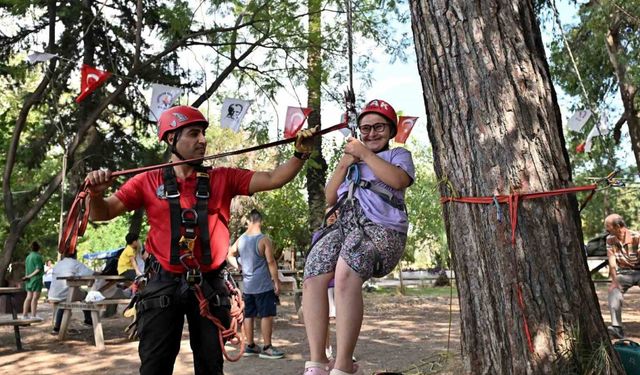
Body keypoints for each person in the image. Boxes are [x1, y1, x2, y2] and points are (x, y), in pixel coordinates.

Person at [84, 105, 316, 375]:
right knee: (154, 366)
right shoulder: (147, 181)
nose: (203, 140)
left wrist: (301, 153)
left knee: (210, 366)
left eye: (203, 134)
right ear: (172, 139)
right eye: (193, 134)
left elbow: (275, 178)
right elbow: (103, 213)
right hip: (162, 284)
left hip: (210, 284)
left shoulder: (223, 178)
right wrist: (96, 194)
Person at [301, 99, 414, 375]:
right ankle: (317, 362)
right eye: (366, 128)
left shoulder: (398, 156)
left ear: (391, 130)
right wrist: (345, 163)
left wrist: (364, 154)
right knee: (314, 271)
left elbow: (398, 181)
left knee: (346, 271)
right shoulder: (352, 159)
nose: (372, 133)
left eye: (379, 127)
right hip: (345, 227)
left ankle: (343, 365)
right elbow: (330, 197)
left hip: (381, 231)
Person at [227, 209, 284, 359]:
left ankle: (250, 346)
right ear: (261, 221)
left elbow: (230, 254)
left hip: (248, 286)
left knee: (249, 314)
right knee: (266, 315)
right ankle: (267, 347)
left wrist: (238, 266)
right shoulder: (264, 239)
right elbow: (271, 262)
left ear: (248, 221)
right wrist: (277, 282)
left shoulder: (241, 239)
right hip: (263, 285)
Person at [604, 213, 640, 339]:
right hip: (624, 273)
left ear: (618, 226)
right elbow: (612, 260)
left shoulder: (637, 237)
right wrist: (614, 281)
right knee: (614, 291)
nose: (606, 229)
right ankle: (617, 327)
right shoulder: (610, 239)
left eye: (608, 226)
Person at [48, 252, 95, 334]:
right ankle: (88, 320)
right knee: (86, 295)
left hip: (53, 293)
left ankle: (57, 327)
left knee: (64, 303)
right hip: (66, 292)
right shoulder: (75, 263)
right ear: (75, 254)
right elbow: (90, 273)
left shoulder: (59, 264)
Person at [21, 241, 45, 321]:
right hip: (36, 279)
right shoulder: (38, 256)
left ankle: (24, 315)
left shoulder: (28, 257)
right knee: (35, 298)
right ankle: (33, 315)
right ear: (39, 248)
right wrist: (30, 276)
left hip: (28, 281)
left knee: (28, 297)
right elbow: (38, 269)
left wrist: (27, 277)